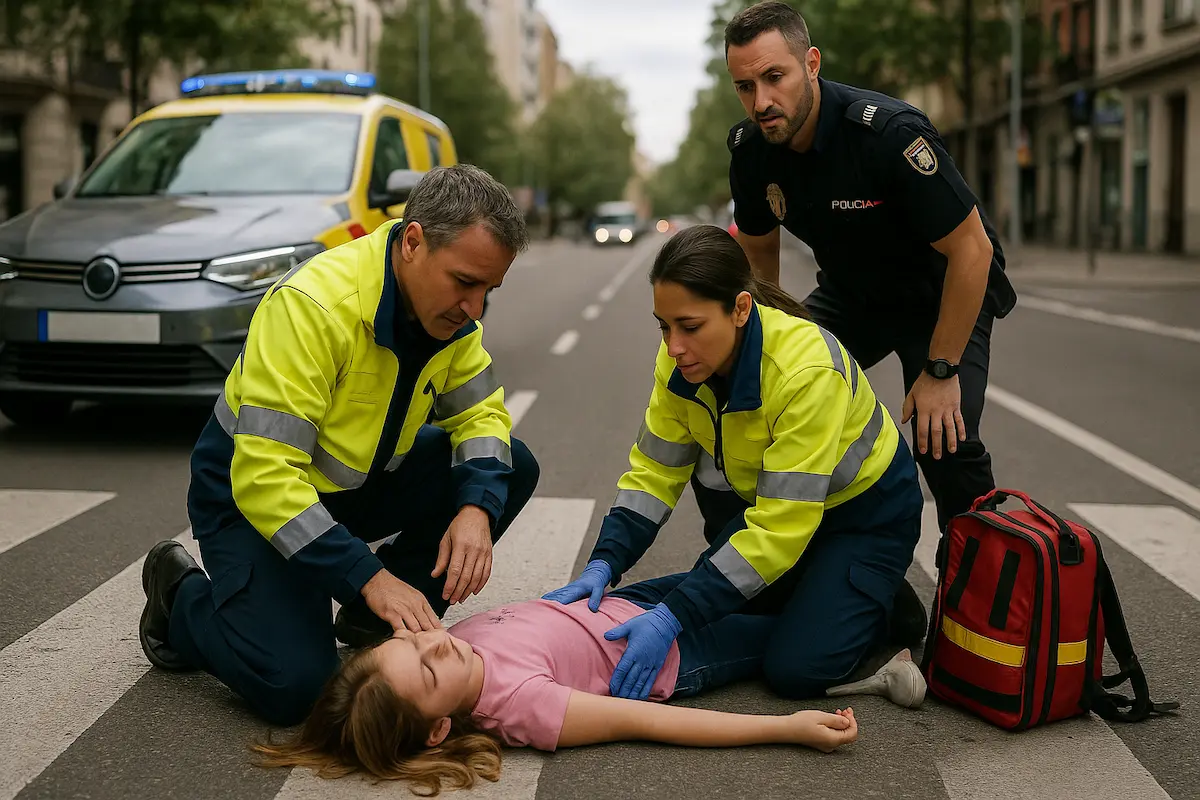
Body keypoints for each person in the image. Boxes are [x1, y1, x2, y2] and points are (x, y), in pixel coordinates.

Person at [137, 164, 541, 725]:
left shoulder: (452, 318)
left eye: (488, 290)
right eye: (465, 283)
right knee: (297, 689)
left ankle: (371, 622)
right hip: (252, 502)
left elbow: (482, 416)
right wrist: (369, 576)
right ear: (413, 242)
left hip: (351, 489)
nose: (475, 309)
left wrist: (475, 510)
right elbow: (266, 479)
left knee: (509, 468)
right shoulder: (312, 307)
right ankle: (179, 596)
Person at [543, 224, 927, 703]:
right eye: (664, 326)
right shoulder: (680, 364)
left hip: (863, 518)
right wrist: (604, 563)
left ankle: (884, 609)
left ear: (740, 308)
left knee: (796, 670)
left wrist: (672, 617)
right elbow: (654, 473)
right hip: (778, 513)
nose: (673, 345)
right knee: (703, 595)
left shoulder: (806, 372)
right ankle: (825, 592)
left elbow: (779, 528)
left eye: (690, 326)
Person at [722, 2, 1017, 535]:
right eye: (745, 86)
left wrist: (941, 371)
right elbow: (760, 259)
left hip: (940, 293)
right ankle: (799, 559)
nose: (761, 101)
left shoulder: (888, 135)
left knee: (943, 441)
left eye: (774, 77)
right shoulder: (752, 151)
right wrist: (759, 355)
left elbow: (972, 252)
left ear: (811, 63)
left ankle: (977, 585)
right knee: (771, 402)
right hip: (852, 293)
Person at [251, 591, 860, 796]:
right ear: (439, 729)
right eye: (428, 675)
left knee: (766, 566)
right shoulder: (521, 705)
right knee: (810, 633)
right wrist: (787, 728)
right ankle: (880, 612)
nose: (434, 646)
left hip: (637, 605)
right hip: (682, 652)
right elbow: (647, 723)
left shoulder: (454, 648)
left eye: (410, 645)